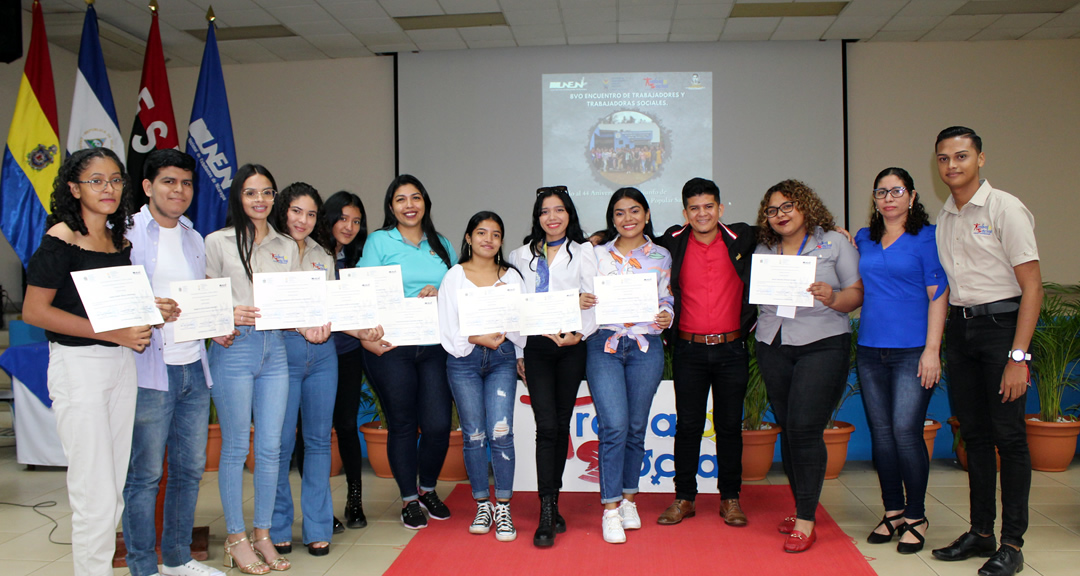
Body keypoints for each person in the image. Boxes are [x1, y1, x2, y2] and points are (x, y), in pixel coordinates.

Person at [23, 147, 168, 576]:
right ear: (73, 188)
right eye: (96, 180)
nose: (108, 188)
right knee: (94, 492)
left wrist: (151, 308)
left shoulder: (117, 240)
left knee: (114, 491)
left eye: (115, 179)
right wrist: (115, 333)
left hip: (121, 364)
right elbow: (35, 311)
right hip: (78, 367)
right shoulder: (59, 240)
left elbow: (108, 308)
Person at [929, 127, 1041, 576]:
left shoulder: (1004, 207)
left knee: (1009, 439)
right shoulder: (946, 216)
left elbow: (1032, 287)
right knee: (973, 435)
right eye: (943, 158)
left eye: (961, 156)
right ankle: (981, 532)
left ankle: (1012, 543)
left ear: (980, 159)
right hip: (963, 329)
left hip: (1002, 330)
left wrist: (1019, 356)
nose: (952, 165)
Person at [205, 164, 327, 574]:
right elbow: (203, 300)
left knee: (273, 447)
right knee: (238, 446)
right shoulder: (218, 242)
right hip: (236, 349)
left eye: (267, 192)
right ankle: (236, 538)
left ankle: (262, 534)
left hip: (275, 350)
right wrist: (224, 313)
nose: (260, 200)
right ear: (238, 196)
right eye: (251, 192)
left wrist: (311, 326)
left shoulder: (285, 244)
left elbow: (295, 303)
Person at [121, 149, 227, 576]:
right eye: (168, 181)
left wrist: (217, 320)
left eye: (185, 183)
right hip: (149, 368)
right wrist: (147, 307)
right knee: (145, 475)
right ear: (147, 187)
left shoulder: (193, 236)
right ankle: (143, 565)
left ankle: (178, 558)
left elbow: (199, 297)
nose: (178, 190)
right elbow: (112, 302)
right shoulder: (125, 234)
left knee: (187, 469)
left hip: (192, 367)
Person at [753, 179, 862, 553]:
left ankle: (806, 519)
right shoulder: (764, 247)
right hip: (773, 343)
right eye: (773, 209)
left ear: (805, 207)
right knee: (790, 426)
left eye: (788, 206)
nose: (781, 215)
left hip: (822, 344)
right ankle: (803, 506)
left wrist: (833, 296)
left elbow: (856, 294)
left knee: (804, 428)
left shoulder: (834, 242)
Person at [652, 177, 757, 528]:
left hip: (732, 349)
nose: (702, 214)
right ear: (685, 212)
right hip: (688, 350)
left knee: (729, 427)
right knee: (688, 426)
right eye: (694, 208)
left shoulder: (743, 237)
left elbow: (784, 228)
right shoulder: (671, 243)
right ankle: (684, 498)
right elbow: (632, 238)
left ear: (720, 209)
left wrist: (830, 230)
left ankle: (730, 499)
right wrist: (595, 240)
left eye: (708, 206)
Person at [269, 182, 366, 557]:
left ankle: (317, 526)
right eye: (297, 211)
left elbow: (332, 309)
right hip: (283, 352)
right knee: (280, 444)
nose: (303, 220)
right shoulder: (267, 250)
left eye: (310, 214)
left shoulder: (323, 255)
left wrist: (363, 329)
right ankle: (278, 526)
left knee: (317, 442)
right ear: (283, 211)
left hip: (324, 353)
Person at [855, 167, 948, 554]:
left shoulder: (928, 238)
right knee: (882, 434)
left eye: (896, 191)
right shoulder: (864, 238)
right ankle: (892, 511)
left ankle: (916, 515)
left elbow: (938, 294)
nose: (888, 198)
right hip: (870, 350)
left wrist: (932, 350)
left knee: (906, 433)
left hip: (913, 350)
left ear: (911, 196)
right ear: (874, 199)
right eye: (881, 192)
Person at [357, 174, 457, 530]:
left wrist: (439, 292)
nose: (410, 205)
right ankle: (409, 499)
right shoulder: (379, 241)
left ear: (426, 203)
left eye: (416, 198)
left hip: (434, 346)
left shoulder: (442, 243)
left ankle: (428, 488)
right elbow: (363, 289)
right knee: (402, 424)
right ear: (391, 207)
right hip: (392, 345)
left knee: (438, 424)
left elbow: (459, 292)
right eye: (401, 199)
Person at [507, 186, 598, 547]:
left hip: (572, 347)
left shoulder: (585, 252)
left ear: (569, 214)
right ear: (537, 217)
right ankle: (547, 509)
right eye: (545, 211)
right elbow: (513, 304)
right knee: (546, 426)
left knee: (561, 424)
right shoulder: (520, 254)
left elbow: (594, 300)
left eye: (559, 210)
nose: (552, 217)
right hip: (537, 348)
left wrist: (579, 334)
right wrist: (518, 350)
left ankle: (553, 501)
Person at [583, 187, 674, 544]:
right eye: (619, 213)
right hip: (603, 345)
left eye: (635, 211)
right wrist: (582, 299)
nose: (628, 218)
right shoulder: (594, 254)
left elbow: (666, 297)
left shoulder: (661, 255)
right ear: (612, 219)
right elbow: (578, 290)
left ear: (647, 215)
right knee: (615, 426)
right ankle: (609, 509)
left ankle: (629, 500)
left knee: (636, 426)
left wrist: (667, 314)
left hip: (645, 345)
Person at [438, 211, 527, 542]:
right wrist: (477, 338)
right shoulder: (454, 277)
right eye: (481, 233)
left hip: (502, 358)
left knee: (501, 432)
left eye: (495, 234)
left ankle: (503, 505)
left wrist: (516, 352)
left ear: (502, 241)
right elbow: (448, 328)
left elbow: (520, 325)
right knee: (474, 434)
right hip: (463, 361)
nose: (488, 239)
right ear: (468, 238)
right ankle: (482, 503)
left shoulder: (512, 278)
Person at [322, 191, 371, 530]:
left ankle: (355, 501)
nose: (349, 226)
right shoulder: (311, 256)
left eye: (355, 221)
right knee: (314, 431)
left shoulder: (359, 260)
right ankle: (320, 508)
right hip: (317, 354)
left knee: (347, 425)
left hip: (349, 354)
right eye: (342, 218)